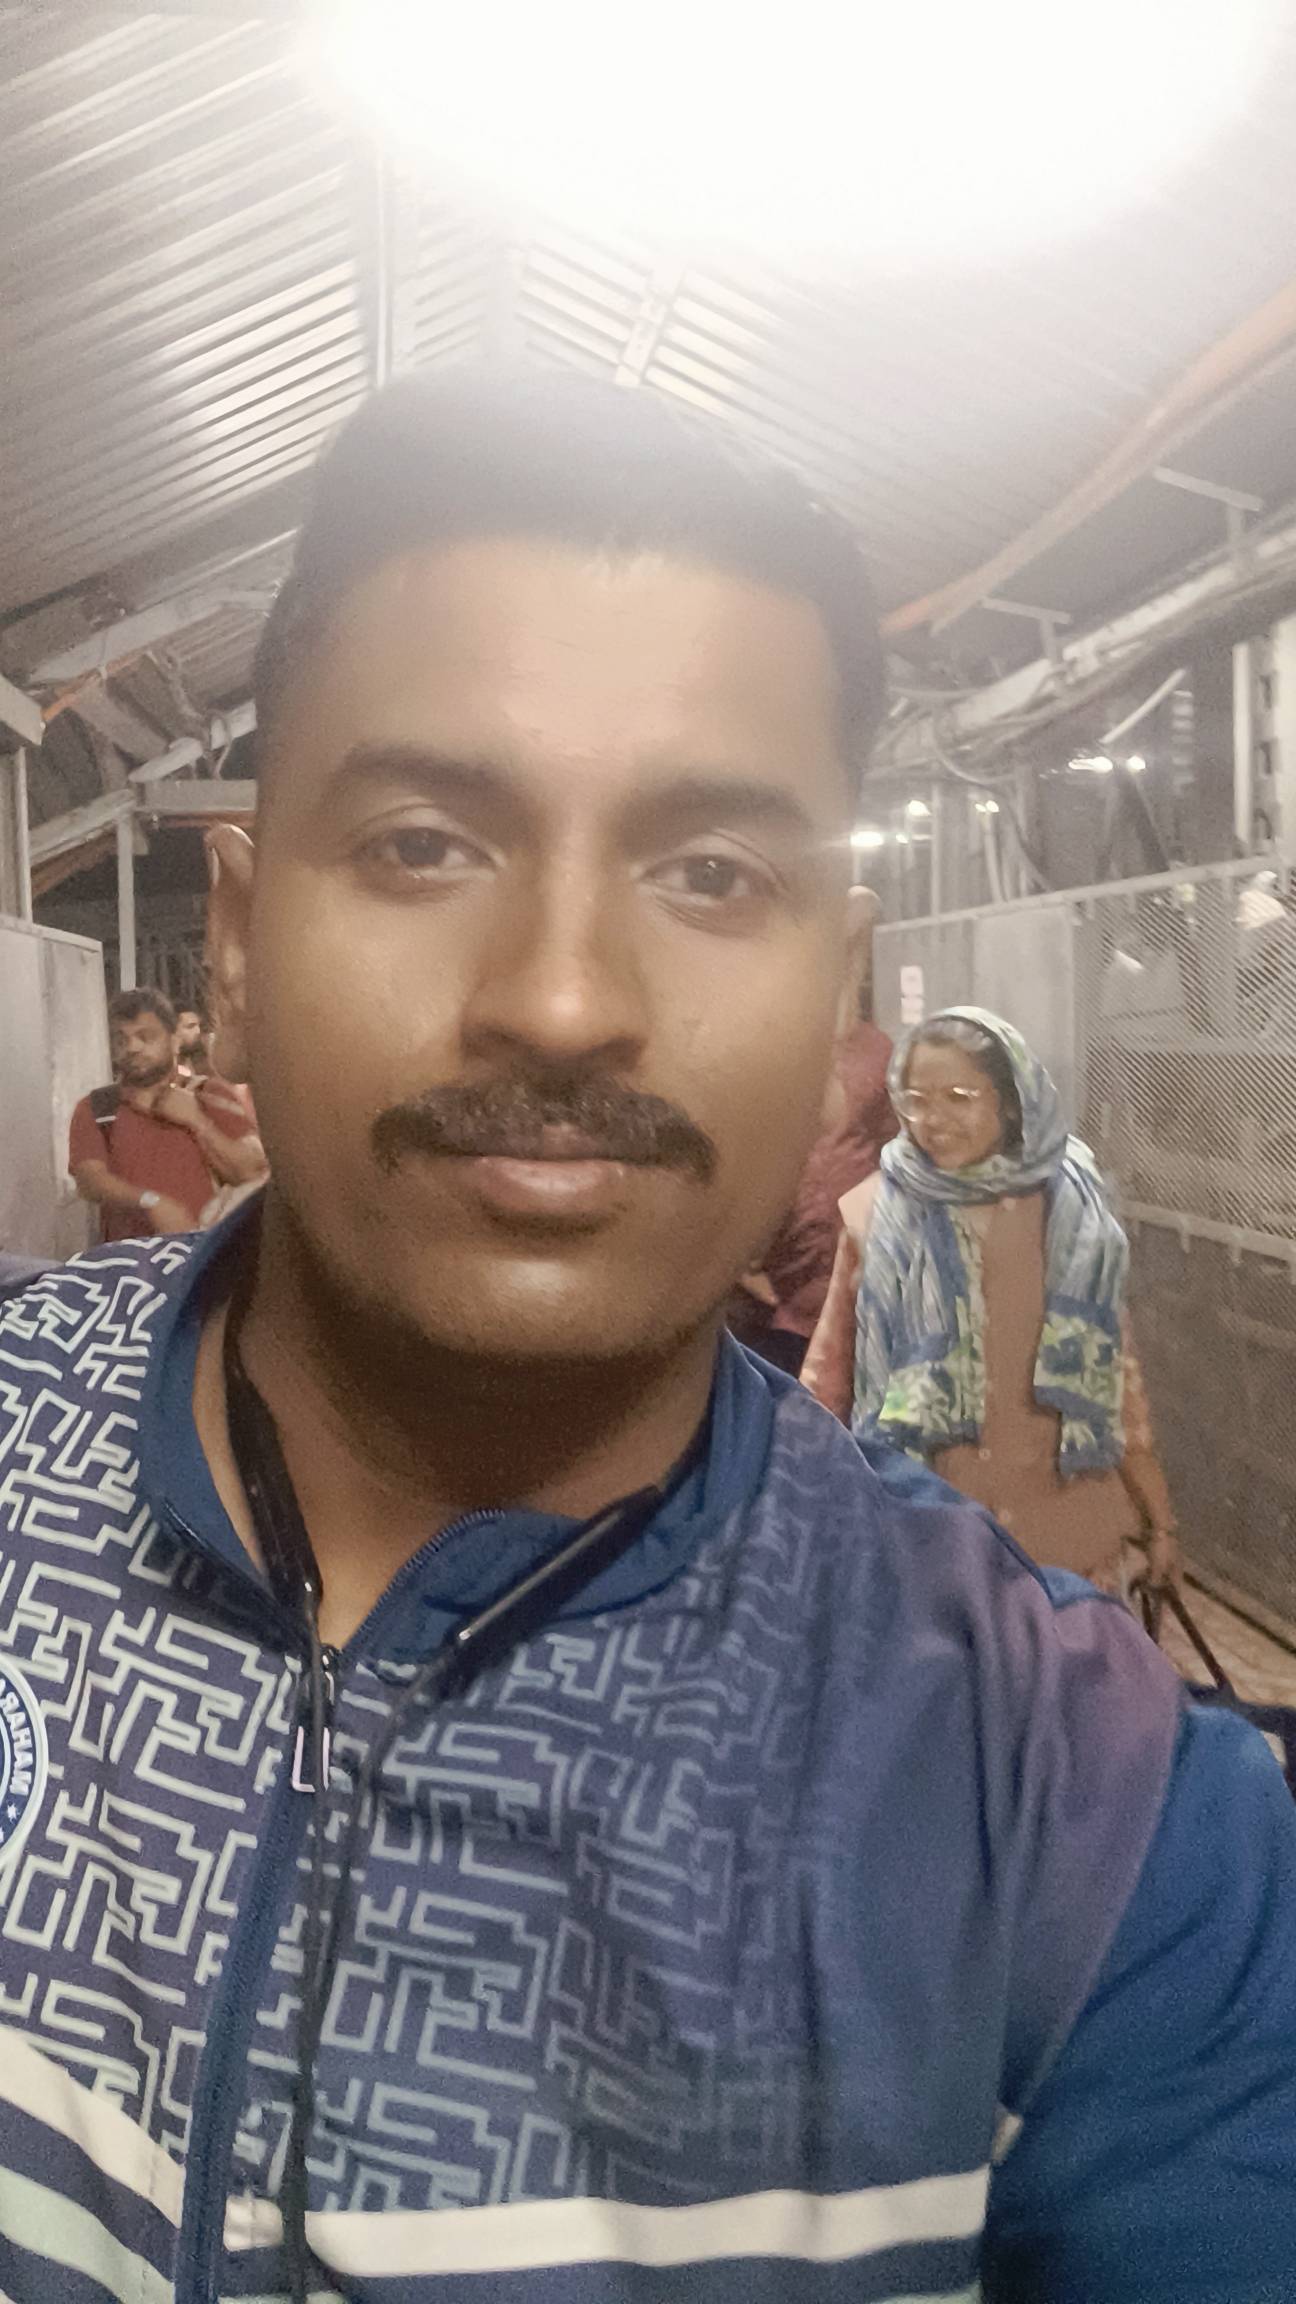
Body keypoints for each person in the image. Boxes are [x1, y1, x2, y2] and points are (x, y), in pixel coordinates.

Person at [0, 373, 1291, 2304]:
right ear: (242, 940)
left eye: (710, 874)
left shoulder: (1076, 1812)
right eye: (424, 841)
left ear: (837, 995)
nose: (561, 997)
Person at [803, 1006, 1178, 1596]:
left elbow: (1117, 1379)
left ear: (1008, 1102)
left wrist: (1160, 1522)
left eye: (958, 1097)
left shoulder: (1069, 1215)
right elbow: (828, 1380)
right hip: (930, 1547)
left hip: (1068, 1546)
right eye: (916, 1100)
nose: (934, 1120)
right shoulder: (874, 1215)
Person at [731, 903, 895, 1373]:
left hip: (860, 1272)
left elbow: (893, 1146)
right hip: (786, 1289)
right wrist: (741, 1271)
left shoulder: (870, 1053)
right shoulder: (763, 1053)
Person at [68, 984, 266, 1238]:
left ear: (174, 1041)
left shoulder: (209, 1095)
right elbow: (89, 1181)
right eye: (121, 1039)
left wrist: (197, 1120)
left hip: (207, 1252)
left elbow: (250, 1171)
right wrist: (150, 1202)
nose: (133, 1047)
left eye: (146, 1036)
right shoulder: (98, 1107)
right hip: (133, 1258)